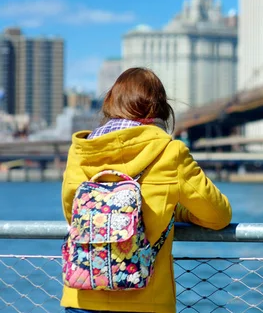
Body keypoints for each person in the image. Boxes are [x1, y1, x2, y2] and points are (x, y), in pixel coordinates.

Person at [60, 67, 232, 313]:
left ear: (111, 103)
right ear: (160, 108)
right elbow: (218, 216)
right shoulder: (170, 152)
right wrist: (175, 210)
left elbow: (73, 214)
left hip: (82, 296)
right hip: (146, 301)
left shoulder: (80, 152)